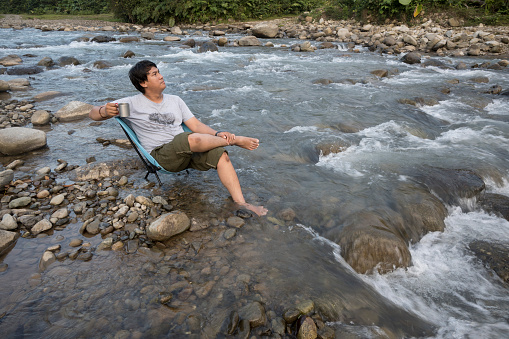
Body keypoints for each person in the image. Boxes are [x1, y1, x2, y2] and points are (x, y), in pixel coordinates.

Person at [89, 60, 267, 216]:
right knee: (188, 139)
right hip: (161, 157)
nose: (161, 76)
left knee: (221, 155)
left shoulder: (175, 100)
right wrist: (105, 111)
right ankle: (235, 141)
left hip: (187, 152)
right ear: (143, 82)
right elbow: (93, 113)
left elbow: (196, 125)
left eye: (159, 72)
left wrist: (217, 134)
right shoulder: (131, 104)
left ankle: (241, 203)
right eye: (154, 74)